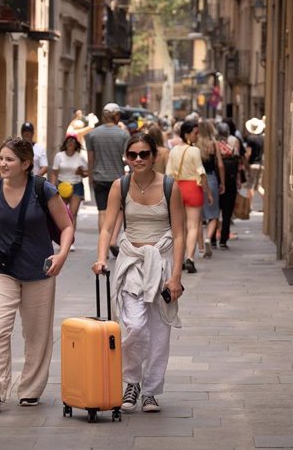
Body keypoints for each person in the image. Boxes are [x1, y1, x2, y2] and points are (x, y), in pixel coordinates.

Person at [0, 137, 74, 412]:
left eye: (9, 159)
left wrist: (62, 255)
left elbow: (66, 226)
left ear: (25, 164)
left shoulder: (42, 189)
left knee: (36, 334)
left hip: (39, 269)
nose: (2, 164)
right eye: (1, 158)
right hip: (2, 268)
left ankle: (30, 389)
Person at [92, 133, 185, 414]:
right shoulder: (120, 186)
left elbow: (180, 234)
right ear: (127, 157)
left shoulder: (170, 186)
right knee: (133, 325)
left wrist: (177, 276)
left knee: (159, 333)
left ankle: (151, 392)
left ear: (154, 156)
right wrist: (100, 258)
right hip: (131, 261)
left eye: (144, 154)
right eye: (132, 155)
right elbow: (108, 227)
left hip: (162, 262)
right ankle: (131, 381)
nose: (138, 160)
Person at [165, 121, 212, 273]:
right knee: (193, 226)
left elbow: (168, 174)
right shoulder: (194, 151)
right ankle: (190, 258)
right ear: (187, 134)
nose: (197, 136)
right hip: (193, 188)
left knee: (180, 227)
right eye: (195, 133)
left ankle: (181, 258)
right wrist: (209, 193)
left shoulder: (173, 151)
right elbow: (201, 173)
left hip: (177, 189)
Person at [86, 102, 129, 257]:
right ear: (115, 115)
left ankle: (103, 245)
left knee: (102, 211)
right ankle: (112, 240)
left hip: (99, 177)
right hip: (117, 178)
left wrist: (91, 176)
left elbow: (90, 159)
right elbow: (127, 157)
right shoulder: (123, 134)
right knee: (119, 211)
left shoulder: (93, 134)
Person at [51, 133, 88, 237]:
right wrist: (53, 187)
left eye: (73, 141)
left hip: (76, 186)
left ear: (76, 144)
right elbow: (54, 172)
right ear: (65, 143)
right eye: (68, 141)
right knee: (61, 213)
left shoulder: (80, 157)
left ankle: (70, 238)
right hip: (62, 185)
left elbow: (87, 173)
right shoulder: (59, 156)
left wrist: (81, 172)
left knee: (73, 214)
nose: (70, 143)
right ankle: (61, 235)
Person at [197, 121, 225, 255]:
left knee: (196, 216)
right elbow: (220, 165)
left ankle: (201, 246)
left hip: (196, 180)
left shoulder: (194, 144)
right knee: (213, 214)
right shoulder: (214, 144)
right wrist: (223, 183)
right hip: (211, 179)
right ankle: (208, 238)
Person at [216, 122, 245, 249]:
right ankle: (223, 239)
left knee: (215, 212)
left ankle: (211, 238)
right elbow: (239, 166)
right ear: (228, 133)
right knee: (227, 213)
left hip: (216, 182)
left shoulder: (214, 146)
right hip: (231, 182)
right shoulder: (233, 148)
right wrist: (238, 181)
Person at [244, 117, 266, 203]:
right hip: (261, 164)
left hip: (253, 164)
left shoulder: (250, 139)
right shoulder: (262, 139)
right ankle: (266, 203)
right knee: (259, 186)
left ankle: (249, 206)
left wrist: (245, 162)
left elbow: (248, 153)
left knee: (250, 186)